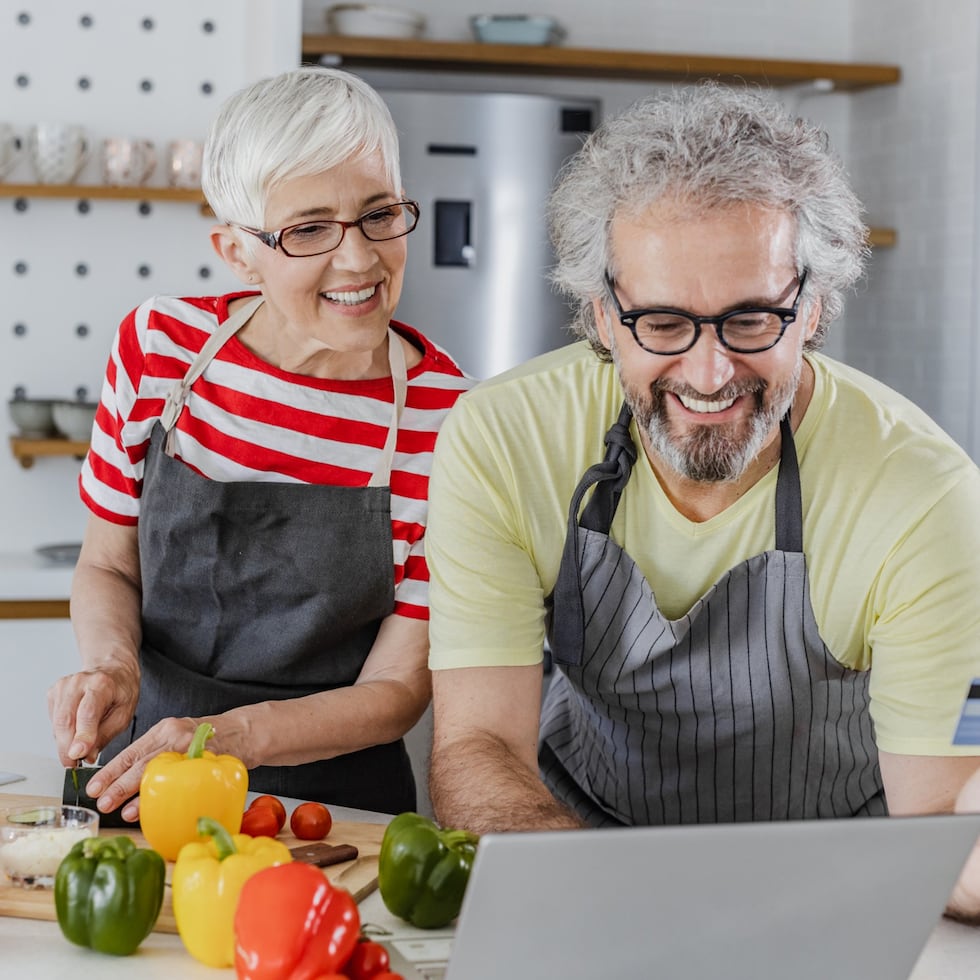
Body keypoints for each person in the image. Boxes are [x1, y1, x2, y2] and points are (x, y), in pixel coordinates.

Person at [424, 83, 980, 915]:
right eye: (663, 323)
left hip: (840, 888)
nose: (711, 373)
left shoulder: (924, 495)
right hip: (578, 861)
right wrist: (619, 908)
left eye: (752, 319)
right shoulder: (502, 439)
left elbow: (937, 812)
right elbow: (478, 746)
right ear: (602, 316)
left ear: (814, 307)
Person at [47, 66, 472, 819]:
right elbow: (108, 564)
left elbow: (398, 689)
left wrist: (230, 735)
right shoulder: (161, 350)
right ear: (237, 251)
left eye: (379, 214)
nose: (360, 259)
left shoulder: (451, 419)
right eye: (308, 229)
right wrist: (110, 667)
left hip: (331, 813)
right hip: (144, 780)